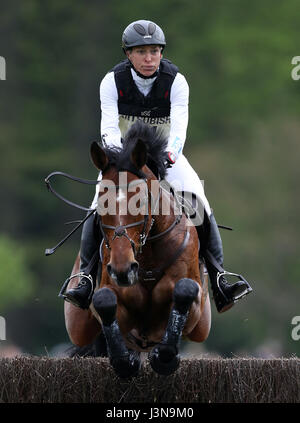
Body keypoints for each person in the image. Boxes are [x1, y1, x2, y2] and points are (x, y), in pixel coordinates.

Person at [62, 20, 252, 312]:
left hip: (167, 156)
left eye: (154, 51)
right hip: (125, 160)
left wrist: (168, 158)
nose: (149, 58)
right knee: (96, 207)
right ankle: (86, 278)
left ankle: (219, 279)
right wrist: (119, 161)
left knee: (199, 201)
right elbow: (109, 131)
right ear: (128, 54)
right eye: (141, 52)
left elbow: (179, 130)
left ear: (161, 53)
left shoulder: (176, 81)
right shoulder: (111, 81)